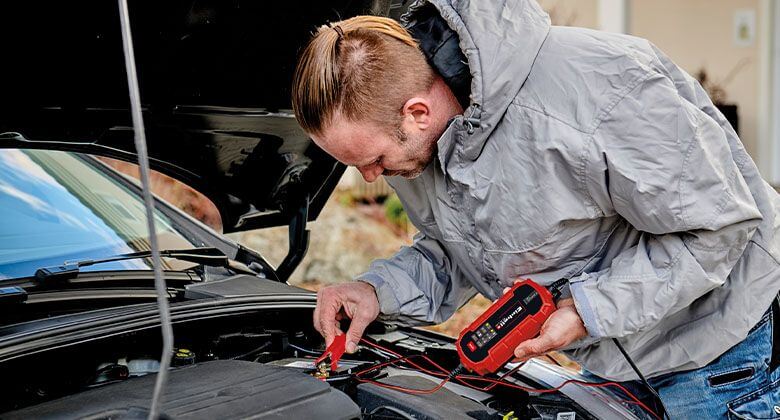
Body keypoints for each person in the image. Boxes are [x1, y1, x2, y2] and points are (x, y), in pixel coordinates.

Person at [291, 0, 780, 417]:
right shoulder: (427, 143)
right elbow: (457, 248)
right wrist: (376, 290)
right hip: (614, 359)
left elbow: (717, 228)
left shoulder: (602, 89)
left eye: (373, 160)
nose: (371, 177)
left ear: (417, 112)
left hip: (721, 356)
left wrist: (588, 312)